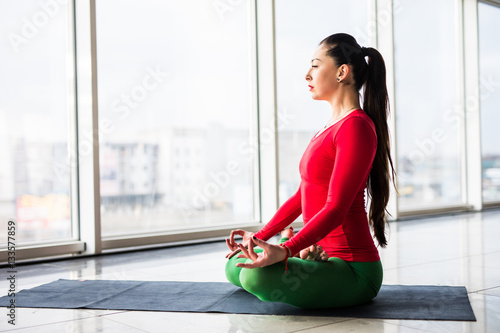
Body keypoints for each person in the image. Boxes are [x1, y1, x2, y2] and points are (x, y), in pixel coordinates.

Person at [225, 33, 396, 309]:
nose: (307, 75)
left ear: (342, 72)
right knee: (236, 265)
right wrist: (260, 237)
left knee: (254, 277)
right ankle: (303, 256)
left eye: (315, 65)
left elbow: (337, 208)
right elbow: (301, 197)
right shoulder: (328, 127)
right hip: (321, 254)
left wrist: (285, 250)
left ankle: (299, 254)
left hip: (353, 269)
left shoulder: (356, 127)